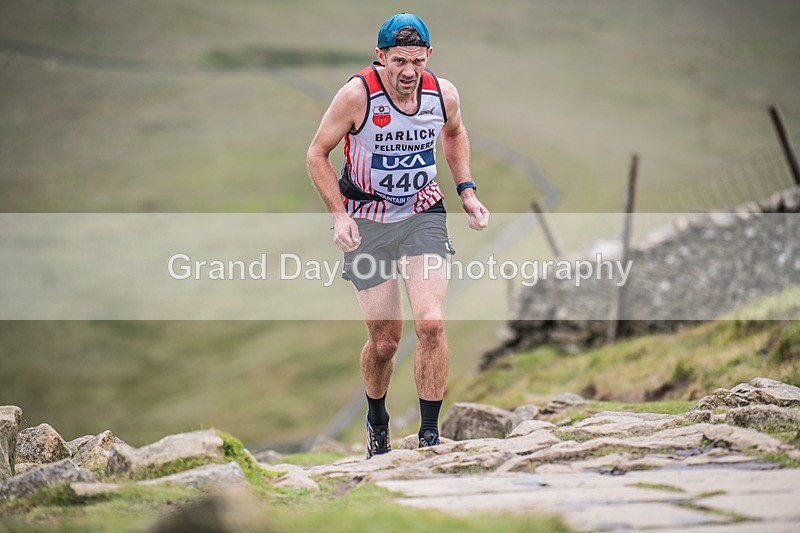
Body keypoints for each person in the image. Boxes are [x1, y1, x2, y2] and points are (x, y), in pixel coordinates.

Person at [306, 13, 489, 458]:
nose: (408, 71)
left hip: (422, 213)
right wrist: (339, 217)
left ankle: (429, 437)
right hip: (366, 220)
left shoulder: (442, 94)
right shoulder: (357, 95)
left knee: (431, 322)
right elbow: (317, 154)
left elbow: (455, 133)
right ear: (381, 57)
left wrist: (466, 190)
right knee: (386, 342)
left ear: (429, 56)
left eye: (416, 60)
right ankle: (377, 420)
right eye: (398, 61)